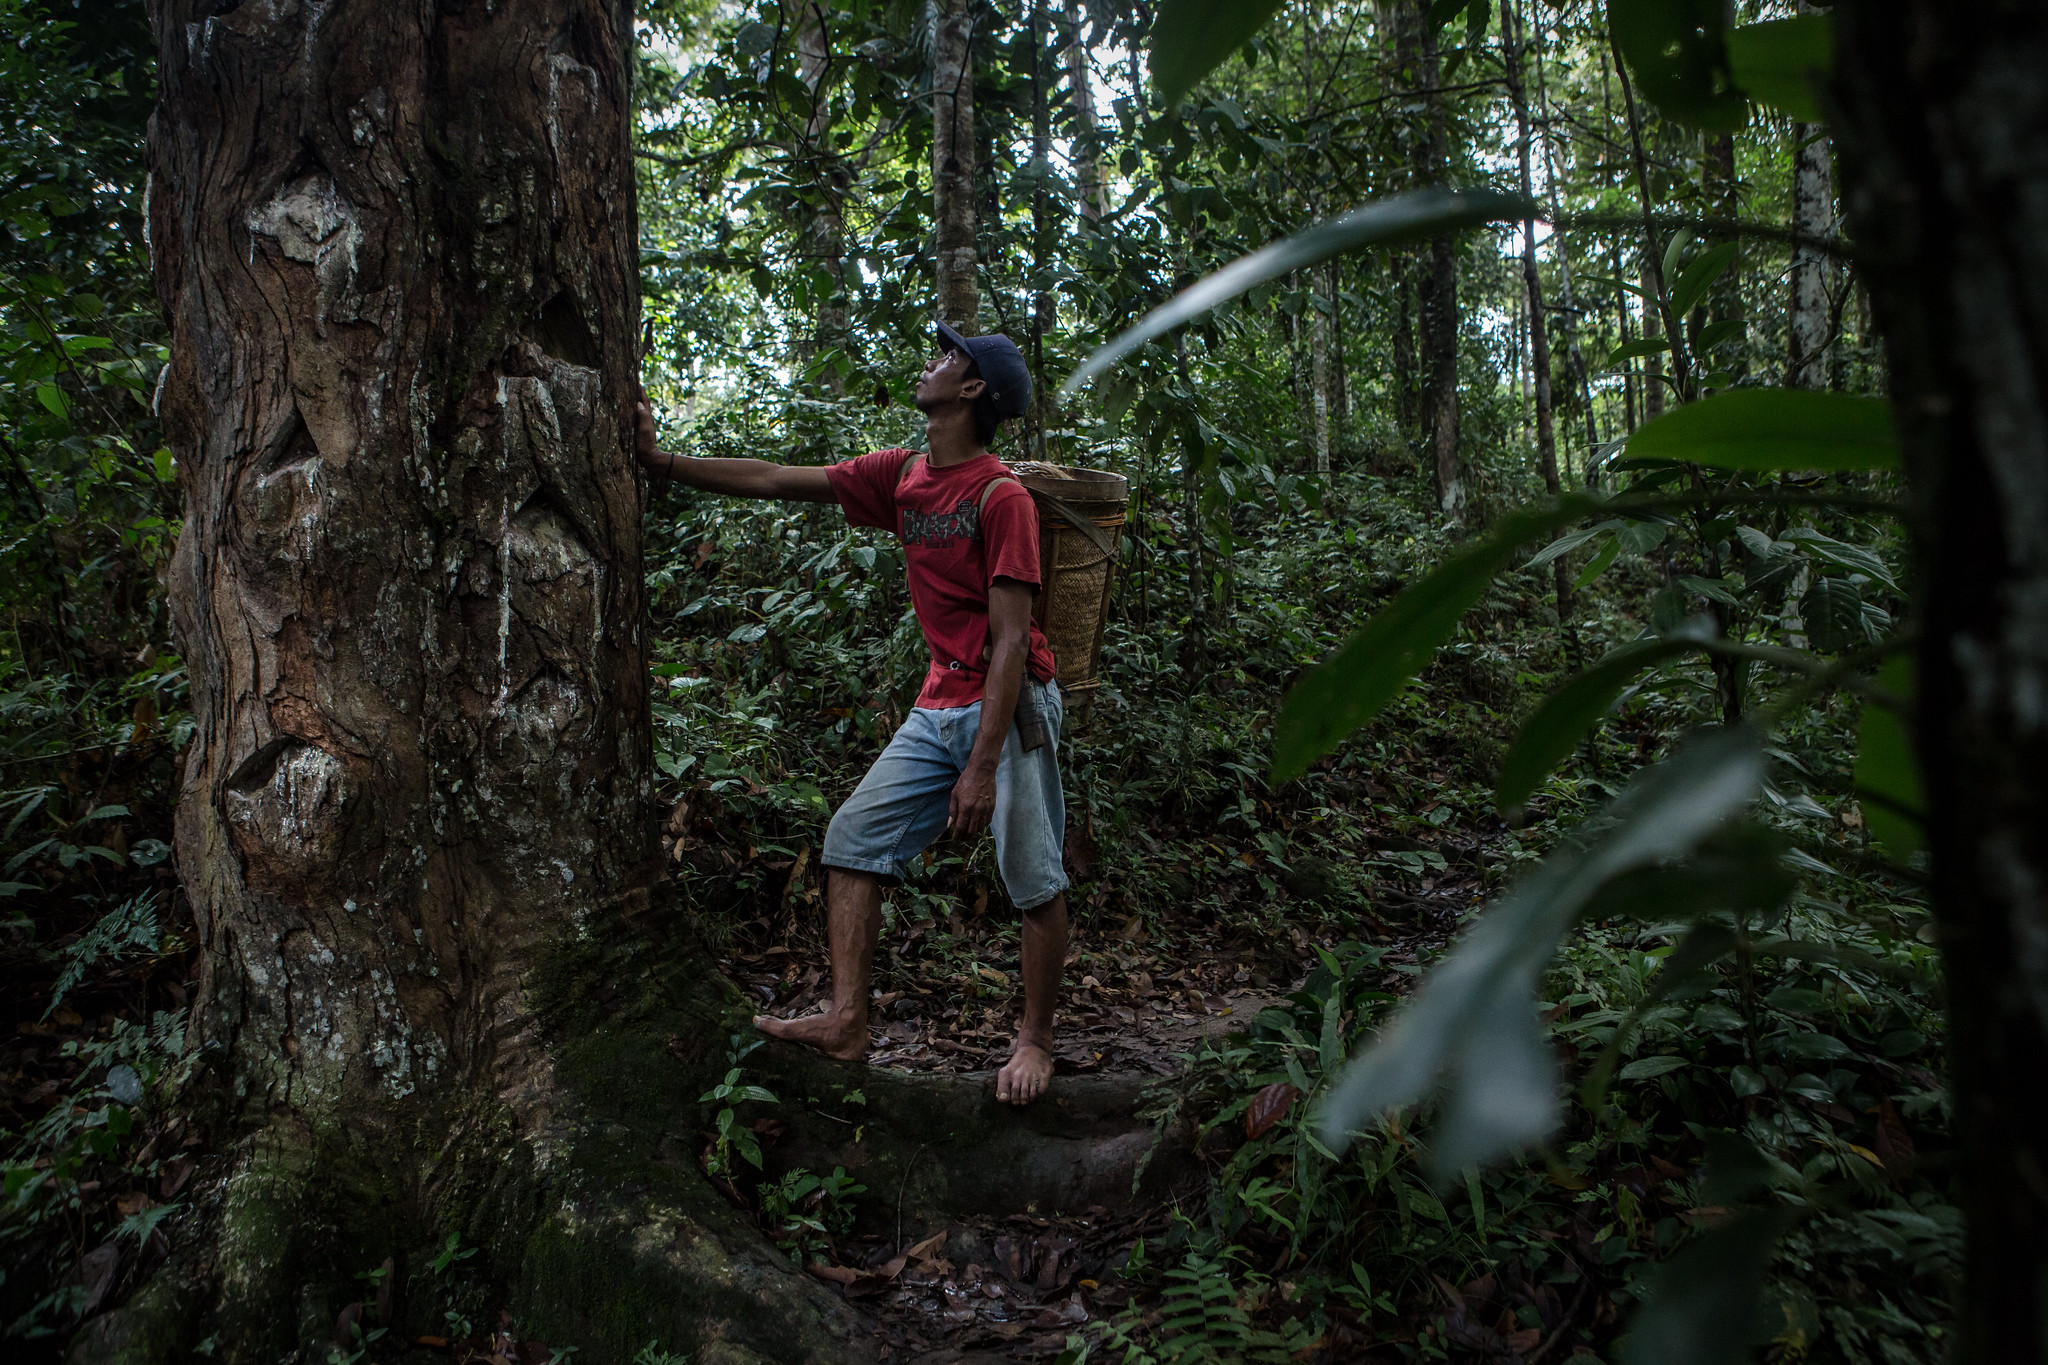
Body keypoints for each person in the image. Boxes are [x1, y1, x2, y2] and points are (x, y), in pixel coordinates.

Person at [634, 322, 1069, 1105]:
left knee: (1030, 874)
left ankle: (1035, 1038)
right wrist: (658, 462)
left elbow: (1010, 643)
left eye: (947, 357)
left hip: (1011, 707)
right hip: (940, 700)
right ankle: (847, 1021)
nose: (930, 361)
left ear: (972, 390)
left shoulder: (1001, 496)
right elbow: (772, 477)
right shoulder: (902, 476)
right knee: (852, 839)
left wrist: (980, 766)